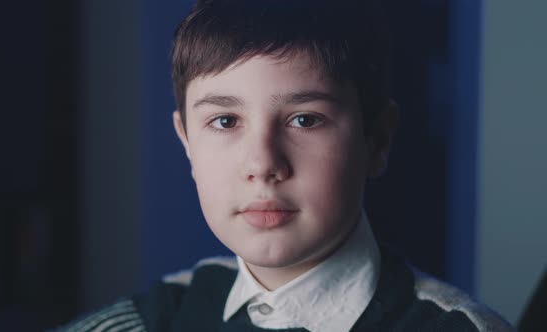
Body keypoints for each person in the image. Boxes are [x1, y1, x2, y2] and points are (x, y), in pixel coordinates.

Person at [55, 0, 514, 331]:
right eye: (224, 120)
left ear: (377, 139)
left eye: (304, 119)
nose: (262, 164)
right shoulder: (163, 312)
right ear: (187, 142)